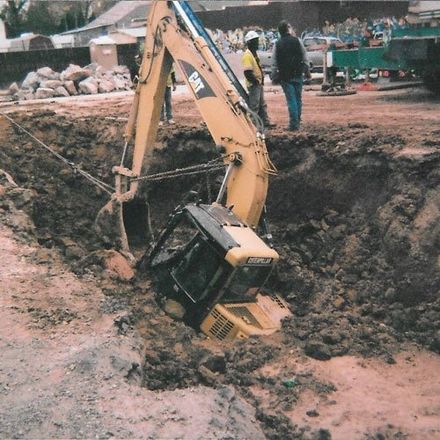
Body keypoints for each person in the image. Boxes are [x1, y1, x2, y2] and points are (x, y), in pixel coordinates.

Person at [271, 21, 311, 131]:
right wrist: (307, 71)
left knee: (291, 100)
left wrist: (274, 74)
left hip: (285, 76)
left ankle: (294, 125)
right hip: (298, 74)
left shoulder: (277, 44)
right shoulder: (298, 41)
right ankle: (297, 121)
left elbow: (274, 62)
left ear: (279, 32)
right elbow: (305, 57)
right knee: (298, 99)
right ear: (288, 29)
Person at [241, 30, 275, 129]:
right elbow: (247, 72)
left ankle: (265, 122)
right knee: (254, 106)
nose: (257, 43)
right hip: (254, 85)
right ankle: (253, 125)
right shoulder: (247, 55)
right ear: (250, 42)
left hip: (257, 83)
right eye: (255, 41)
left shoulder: (254, 54)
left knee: (262, 105)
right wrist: (255, 81)